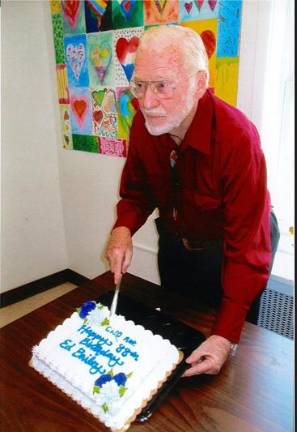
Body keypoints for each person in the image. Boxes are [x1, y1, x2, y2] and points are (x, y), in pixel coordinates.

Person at [105, 25, 280, 377]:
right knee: (180, 336)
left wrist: (226, 335)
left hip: (233, 249)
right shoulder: (144, 124)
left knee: (228, 356)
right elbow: (137, 191)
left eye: (163, 85)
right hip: (177, 242)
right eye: (140, 85)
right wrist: (122, 228)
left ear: (199, 84)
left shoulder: (237, 139)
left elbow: (247, 247)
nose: (147, 102)